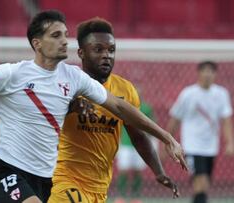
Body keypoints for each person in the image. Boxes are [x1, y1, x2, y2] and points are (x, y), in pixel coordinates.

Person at [0, 10, 186, 203]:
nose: (64, 41)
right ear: (37, 43)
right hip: (10, 171)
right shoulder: (11, 73)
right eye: (56, 35)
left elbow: (119, 107)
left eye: (65, 34)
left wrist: (166, 137)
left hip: (46, 179)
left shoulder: (73, 77)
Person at [47, 17, 185, 203]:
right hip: (65, 180)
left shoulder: (125, 90)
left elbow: (137, 135)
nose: (107, 55)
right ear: (81, 53)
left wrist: (158, 172)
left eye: (111, 50)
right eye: (98, 49)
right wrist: (71, 106)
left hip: (100, 187)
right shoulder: (66, 82)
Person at [167, 61, 234, 203]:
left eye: (211, 71)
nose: (208, 74)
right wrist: (167, 142)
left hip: (211, 147)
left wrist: (230, 142)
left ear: (215, 74)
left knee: (203, 185)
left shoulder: (221, 94)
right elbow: (175, 119)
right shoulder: (188, 94)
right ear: (198, 73)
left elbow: (226, 120)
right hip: (192, 146)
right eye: (205, 71)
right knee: (201, 182)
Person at [115, 88, 158, 203]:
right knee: (123, 170)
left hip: (140, 145)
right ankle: (121, 196)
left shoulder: (146, 108)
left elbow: (153, 124)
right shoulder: (124, 107)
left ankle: (136, 197)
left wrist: (151, 142)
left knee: (137, 171)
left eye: (139, 94)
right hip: (125, 144)